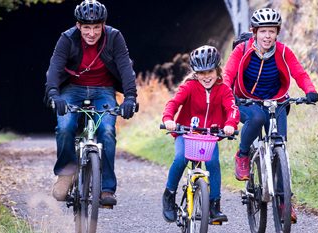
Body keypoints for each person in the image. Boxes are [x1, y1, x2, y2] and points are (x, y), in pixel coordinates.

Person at [222, 8, 318, 223]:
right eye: (263, 31)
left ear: (278, 33)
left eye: (272, 31)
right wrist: (227, 96)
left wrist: (309, 90)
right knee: (256, 119)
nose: (267, 36)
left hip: (276, 101)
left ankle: (285, 201)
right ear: (254, 32)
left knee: (280, 147)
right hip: (246, 100)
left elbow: (299, 73)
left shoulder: (283, 51)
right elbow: (227, 75)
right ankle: (243, 154)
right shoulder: (242, 50)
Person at [45, 0, 138, 206]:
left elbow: (125, 67)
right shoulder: (67, 38)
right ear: (78, 26)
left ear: (103, 25)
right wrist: (54, 93)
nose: (92, 33)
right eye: (86, 27)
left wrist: (130, 97)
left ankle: (106, 188)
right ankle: (65, 175)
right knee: (65, 126)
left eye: (97, 27)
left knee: (107, 130)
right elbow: (55, 67)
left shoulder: (114, 37)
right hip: (72, 88)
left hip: (103, 89)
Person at [161, 45, 239, 223]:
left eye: (210, 71)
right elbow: (173, 103)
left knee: (213, 163)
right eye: (201, 73)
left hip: (210, 136)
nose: (206, 76)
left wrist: (229, 124)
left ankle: (214, 206)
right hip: (186, 133)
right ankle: (169, 195)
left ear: (217, 70)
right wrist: (168, 119)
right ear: (195, 73)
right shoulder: (189, 86)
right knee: (181, 158)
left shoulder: (224, 89)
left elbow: (232, 109)